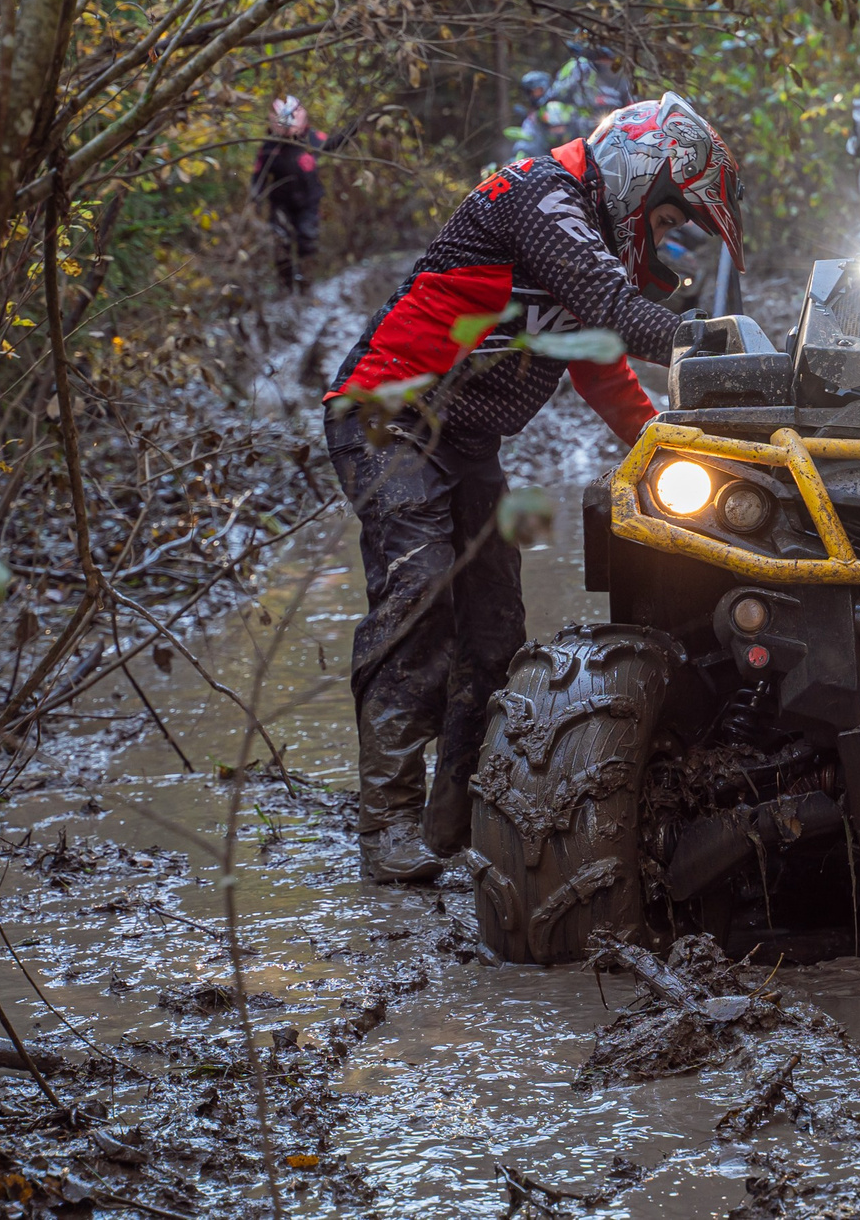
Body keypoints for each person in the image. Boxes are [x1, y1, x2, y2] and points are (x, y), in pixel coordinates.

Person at [323, 93, 746, 882]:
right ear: (638, 173)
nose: (660, 239)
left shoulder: (581, 244)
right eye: (662, 222)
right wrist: (724, 346)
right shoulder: (539, 195)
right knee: (419, 593)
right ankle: (383, 826)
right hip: (387, 413)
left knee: (494, 632)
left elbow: (603, 371)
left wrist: (678, 448)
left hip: (467, 439)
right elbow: (618, 311)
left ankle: (449, 828)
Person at [251, 95, 326, 290]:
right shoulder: (269, 146)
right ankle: (286, 287)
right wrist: (255, 197)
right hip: (280, 202)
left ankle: (306, 285)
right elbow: (258, 174)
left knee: (307, 240)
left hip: (309, 201)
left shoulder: (314, 138)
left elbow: (334, 144)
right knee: (280, 243)